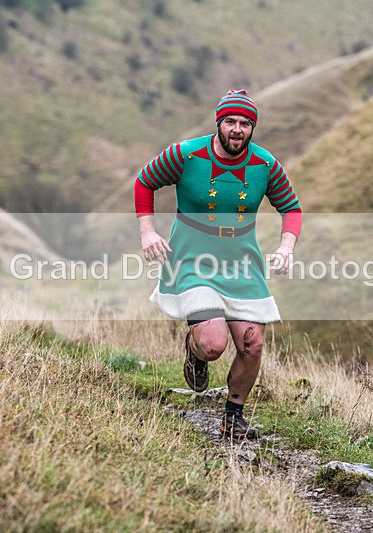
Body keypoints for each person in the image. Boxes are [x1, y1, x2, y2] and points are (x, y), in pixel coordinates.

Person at [134, 90, 302, 439]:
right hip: (193, 259)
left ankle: (233, 416)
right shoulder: (186, 154)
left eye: (245, 123)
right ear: (219, 123)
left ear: (252, 127)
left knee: (253, 343)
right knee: (213, 345)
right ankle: (194, 351)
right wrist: (148, 232)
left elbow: (292, 209)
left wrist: (286, 247)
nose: (237, 129)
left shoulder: (265, 164)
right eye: (230, 122)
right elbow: (144, 182)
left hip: (242, 263)